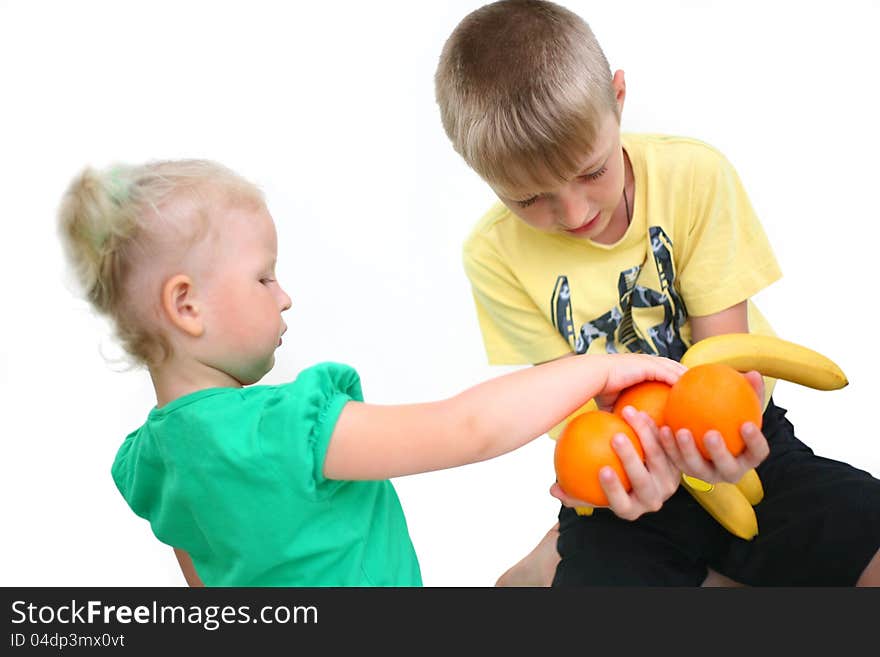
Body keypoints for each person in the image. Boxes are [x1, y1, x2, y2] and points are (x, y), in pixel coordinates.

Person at [56, 158, 686, 587]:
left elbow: (206, 582)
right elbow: (465, 428)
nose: (283, 296)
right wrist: (596, 369)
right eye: (263, 276)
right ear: (186, 305)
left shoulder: (147, 462)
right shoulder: (282, 430)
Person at [434, 0, 880, 586]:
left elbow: (724, 359)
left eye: (591, 172)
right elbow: (567, 397)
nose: (574, 213)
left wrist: (722, 431)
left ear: (618, 99)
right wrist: (611, 474)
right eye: (528, 199)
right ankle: (561, 557)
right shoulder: (492, 254)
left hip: (739, 436)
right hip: (626, 468)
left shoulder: (694, 177)